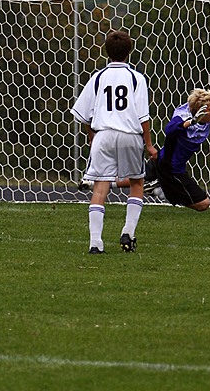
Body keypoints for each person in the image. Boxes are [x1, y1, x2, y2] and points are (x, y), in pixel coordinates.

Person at [82, 88, 210, 211]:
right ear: (198, 110)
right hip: (171, 168)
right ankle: (163, 192)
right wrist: (191, 122)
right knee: (204, 205)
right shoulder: (182, 116)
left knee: (138, 179)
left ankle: (95, 184)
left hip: (161, 158)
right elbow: (170, 130)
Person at [71, 30, 157, 254]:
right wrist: (148, 144)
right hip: (129, 135)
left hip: (104, 135)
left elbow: (82, 114)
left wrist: (92, 134)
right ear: (129, 51)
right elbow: (143, 117)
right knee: (137, 183)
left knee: (100, 187)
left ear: (107, 51)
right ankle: (128, 232)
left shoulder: (98, 77)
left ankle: (95, 243)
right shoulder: (137, 78)